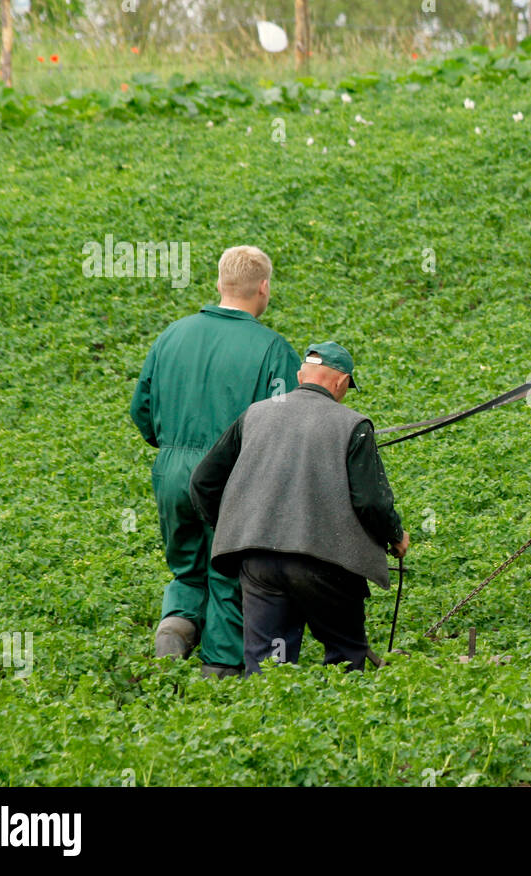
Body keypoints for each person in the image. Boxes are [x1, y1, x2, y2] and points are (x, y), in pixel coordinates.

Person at [188, 342, 410, 676]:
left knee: (269, 666)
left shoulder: (256, 414)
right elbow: (371, 502)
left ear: (300, 375)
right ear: (341, 382)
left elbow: (203, 482)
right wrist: (395, 536)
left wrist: (235, 527)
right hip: (326, 565)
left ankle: (267, 719)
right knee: (346, 653)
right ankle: (346, 718)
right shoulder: (354, 425)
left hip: (260, 561)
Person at [130, 246, 301, 677]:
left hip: (171, 471)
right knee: (229, 574)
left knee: (187, 567)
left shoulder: (172, 335)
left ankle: (177, 624)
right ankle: (220, 675)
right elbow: (283, 425)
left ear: (220, 283)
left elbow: (142, 410)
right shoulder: (272, 348)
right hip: (231, 479)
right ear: (263, 287)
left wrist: (171, 447)